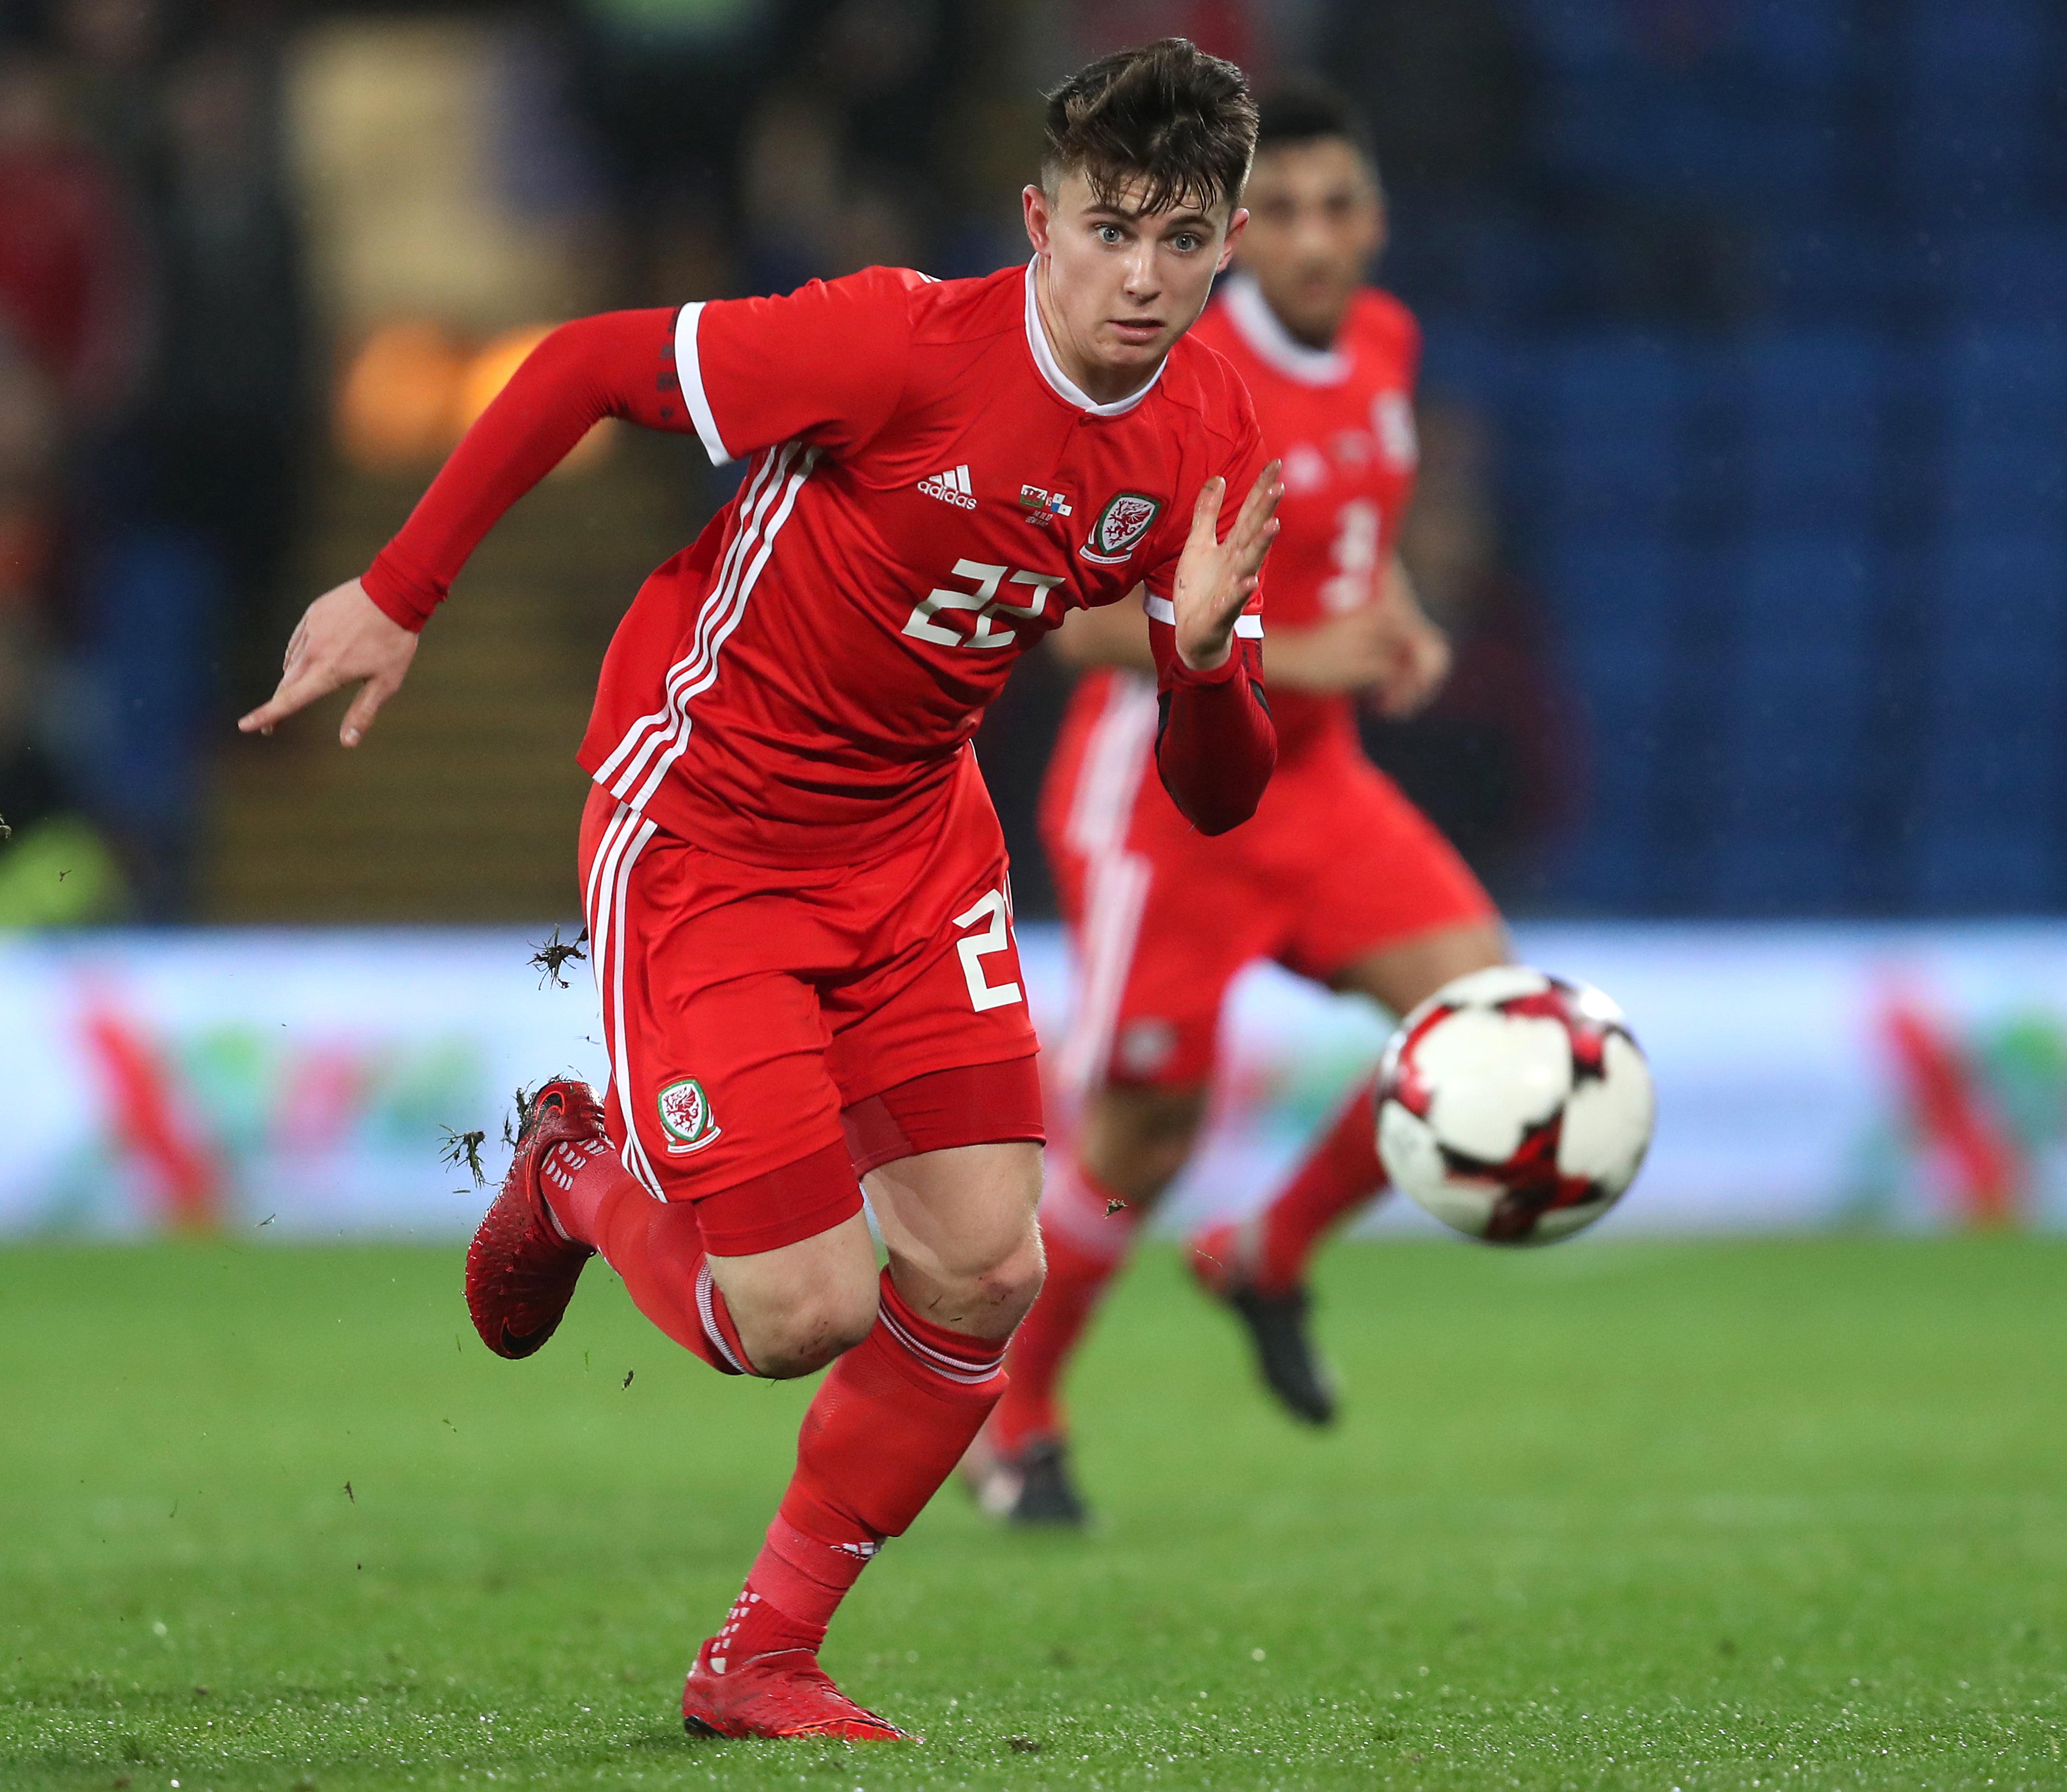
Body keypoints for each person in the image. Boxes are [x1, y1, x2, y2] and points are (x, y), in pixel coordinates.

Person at [237, 38, 1284, 1743]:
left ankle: (758, 1661)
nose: (1143, 278)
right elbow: (582, 365)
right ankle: (576, 1168)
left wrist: (1206, 651)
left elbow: (1217, 797)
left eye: (1182, 242)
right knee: (799, 1313)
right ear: (1039, 221)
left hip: (916, 847)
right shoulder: (895, 341)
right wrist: (398, 588)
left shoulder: (1214, 431)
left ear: (1223, 248)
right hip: (713, 833)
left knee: (982, 1272)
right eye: (1112, 231)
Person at [969, 80, 1513, 1527]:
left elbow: (1351, 539)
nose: (1317, 242)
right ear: (1230, 232)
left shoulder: (1386, 347)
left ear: (1376, 220)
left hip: (1320, 782)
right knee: (1143, 1133)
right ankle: (1012, 1419)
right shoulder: (1179, 383)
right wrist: (1291, 649)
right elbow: (1066, 621)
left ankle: (1266, 1252)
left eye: (1341, 209)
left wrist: (1391, 619)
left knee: (1495, 1040)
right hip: (1168, 797)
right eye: (1281, 213)